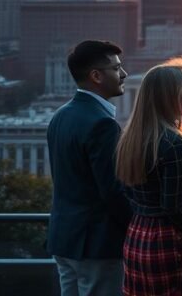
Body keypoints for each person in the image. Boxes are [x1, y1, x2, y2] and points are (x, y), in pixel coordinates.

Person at [47, 40, 132, 296]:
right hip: (97, 244)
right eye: (116, 68)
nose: (124, 74)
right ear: (96, 76)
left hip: (65, 240)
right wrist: (137, 225)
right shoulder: (102, 124)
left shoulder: (60, 116)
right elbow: (112, 190)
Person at [115, 57, 182, 296]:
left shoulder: (131, 138)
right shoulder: (174, 143)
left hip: (137, 234)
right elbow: (174, 206)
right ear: (169, 95)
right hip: (168, 241)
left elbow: (126, 190)